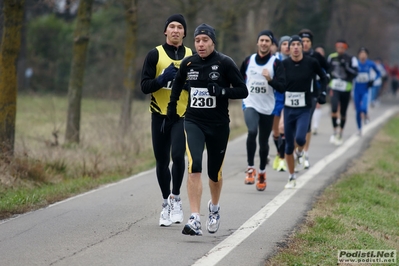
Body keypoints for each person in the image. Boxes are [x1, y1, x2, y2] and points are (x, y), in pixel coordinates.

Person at [167, 23, 248, 235]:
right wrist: (171, 110)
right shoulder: (189, 63)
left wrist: (221, 91)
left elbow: (243, 91)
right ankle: (194, 217)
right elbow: (177, 86)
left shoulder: (225, 62)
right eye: (197, 41)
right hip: (193, 121)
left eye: (205, 40)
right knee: (194, 166)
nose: (201, 44)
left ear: (213, 42)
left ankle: (214, 208)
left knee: (214, 173)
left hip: (218, 125)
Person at [141, 14, 194, 227]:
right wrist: (163, 78)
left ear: (184, 32)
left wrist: (184, 83)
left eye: (179, 27)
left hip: (182, 115)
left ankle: (176, 198)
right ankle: (165, 204)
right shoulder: (155, 54)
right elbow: (144, 86)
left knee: (178, 156)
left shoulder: (192, 55)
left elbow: (199, 84)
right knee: (162, 162)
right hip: (159, 115)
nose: (175, 30)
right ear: (165, 31)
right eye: (171, 26)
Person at [240, 30, 286, 191]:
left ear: (271, 44)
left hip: (267, 107)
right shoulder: (248, 61)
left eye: (267, 41)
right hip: (250, 103)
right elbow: (239, 80)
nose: (264, 43)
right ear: (257, 43)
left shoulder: (275, 63)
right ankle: (250, 168)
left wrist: (270, 80)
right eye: (262, 40)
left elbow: (282, 86)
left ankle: (262, 172)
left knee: (263, 142)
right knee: (252, 131)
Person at [282, 35, 328, 189]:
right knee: (288, 146)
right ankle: (291, 176)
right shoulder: (284, 64)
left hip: (304, 108)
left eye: (298, 44)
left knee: (300, 138)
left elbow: (324, 77)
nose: (295, 47)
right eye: (292, 44)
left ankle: (300, 153)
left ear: (302, 47)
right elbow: (278, 84)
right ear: (289, 48)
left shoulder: (311, 62)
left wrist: (322, 93)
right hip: (288, 108)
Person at [298, 29, 329, 170]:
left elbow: (327, 73)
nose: (304, 44)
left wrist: (323, 91)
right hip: (294, 95)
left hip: (311, 94)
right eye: (302, 41)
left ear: (311, 43)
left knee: (307, 124)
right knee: (293, 125)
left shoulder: (316, 56)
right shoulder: (294, 54)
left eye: (307, 41)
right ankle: (295, 152)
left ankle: (305, 153)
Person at [327, 39, 358, 145]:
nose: (340, 49)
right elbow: (327, 71)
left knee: (343, 112)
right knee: (334, 108)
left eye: (342, 47)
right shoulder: (332, 57)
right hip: (334, 86)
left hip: (346, 87)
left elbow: (355, 73)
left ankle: (341, 132)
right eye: (338, 47)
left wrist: (347, 67)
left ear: (345, 48)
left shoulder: (351, 59)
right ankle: (335, 130)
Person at [272, 35, 290, 172]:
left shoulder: (294, 60)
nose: (287, 46)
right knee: (275, 131)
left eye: (289, 44)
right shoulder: (274, 60)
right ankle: (279, 153)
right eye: (284, 44)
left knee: (283, 127)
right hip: (275, 97)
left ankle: (283, 158)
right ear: (280, 46)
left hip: (289, 97)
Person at [353, 47, 380, 135]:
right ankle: (359, 129)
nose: (362, 55)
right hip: (356, 90)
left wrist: (373, 80)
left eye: (364, 54)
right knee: (357, 111)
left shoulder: (370, 64)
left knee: (363, 108)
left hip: (365, 90)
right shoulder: (355, 63)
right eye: (361, 53)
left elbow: (378, 73)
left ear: (367, 55)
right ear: (358, 55)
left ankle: (366, 115)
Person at [312, 45, 326, 135]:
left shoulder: (324, 65)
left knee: (318, 105)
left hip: (319, 87)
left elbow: (325, 77)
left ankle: (315, 126)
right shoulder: (311, 62)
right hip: (311, 88)